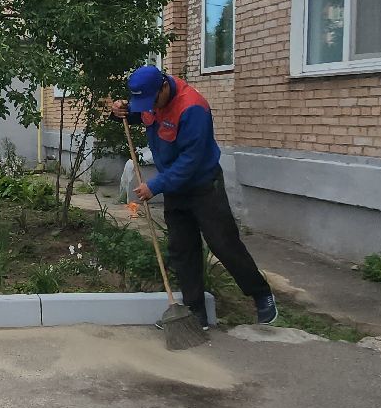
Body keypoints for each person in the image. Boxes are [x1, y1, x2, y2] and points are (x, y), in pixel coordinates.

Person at [113, 64, 278, 329]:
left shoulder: (193, 107)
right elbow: (135, 114)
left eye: (151, 101)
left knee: (223, 243)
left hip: (202, 186)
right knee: (182, 249)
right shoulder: (151, 99)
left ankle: (261, 295)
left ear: (164, 87)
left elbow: (191, 160)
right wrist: (120, 111)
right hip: (176, 190)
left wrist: (155, 185)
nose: (149, 108)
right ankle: (195, 312)